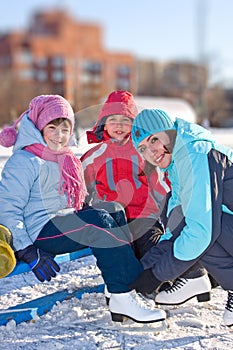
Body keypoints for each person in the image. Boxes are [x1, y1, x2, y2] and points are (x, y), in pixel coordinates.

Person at [0, 95, 166, 324]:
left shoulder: (62, 157)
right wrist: (27, 250)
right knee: (97, 221)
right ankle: (123, 294)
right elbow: (7, 210)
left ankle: (116, 287)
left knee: (114, 210)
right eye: (52, 128)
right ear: (39, 127)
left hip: (60, 219)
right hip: (37, 231)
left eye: (65, 129)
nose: (59, 136)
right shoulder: (25, 161)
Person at [130, 108, 233, 327]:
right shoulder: (176, 160)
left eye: (154, 139)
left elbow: (200, 232)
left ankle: (199, 279)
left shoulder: (195, 152)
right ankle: (198, 279)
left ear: (169, 131)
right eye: (143, 148)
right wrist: (142, 269)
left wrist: (157, 275)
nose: (151, 152)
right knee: (180, 214)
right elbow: (176, 223)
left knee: (204, 229)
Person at [81, 90, 169, 260]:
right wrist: (86, 213)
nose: (119, 126)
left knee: (154, 257)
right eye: (112, 120)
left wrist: (168, 216)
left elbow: (160, 186)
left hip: (144, 218)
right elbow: (81, 190)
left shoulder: (145, 153)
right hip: (111, 221)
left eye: (125, 120)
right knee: (121, 261)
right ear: (103, 124)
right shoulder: (94, 157)